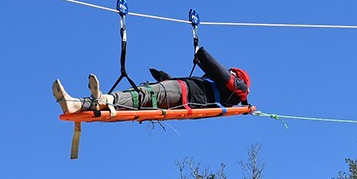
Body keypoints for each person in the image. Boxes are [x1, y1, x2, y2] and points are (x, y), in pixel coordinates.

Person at [53, 45, 249, 114]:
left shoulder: (238, 89)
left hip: (183, 93)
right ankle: (78, 103)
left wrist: (201, 55)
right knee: (138, 95)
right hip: (181, 93)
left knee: (142, 95)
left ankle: (104, 100)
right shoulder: (220, 91)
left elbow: (221, 73)